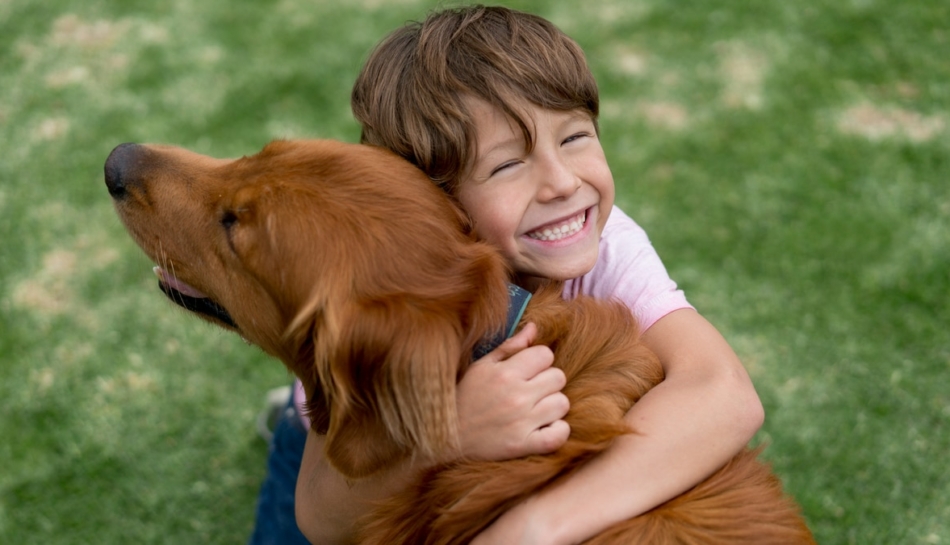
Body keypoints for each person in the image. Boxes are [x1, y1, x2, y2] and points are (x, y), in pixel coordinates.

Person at [252, 5, 763, 544]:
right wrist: (448, 438)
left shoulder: (609, 246)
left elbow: (723, 393)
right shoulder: (377, 295)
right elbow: (322, 519)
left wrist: (535, 528)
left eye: (574, 138)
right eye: (507, 165)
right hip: (361, 440)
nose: (562, 183)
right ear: (438, 206)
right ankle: (294, 420)